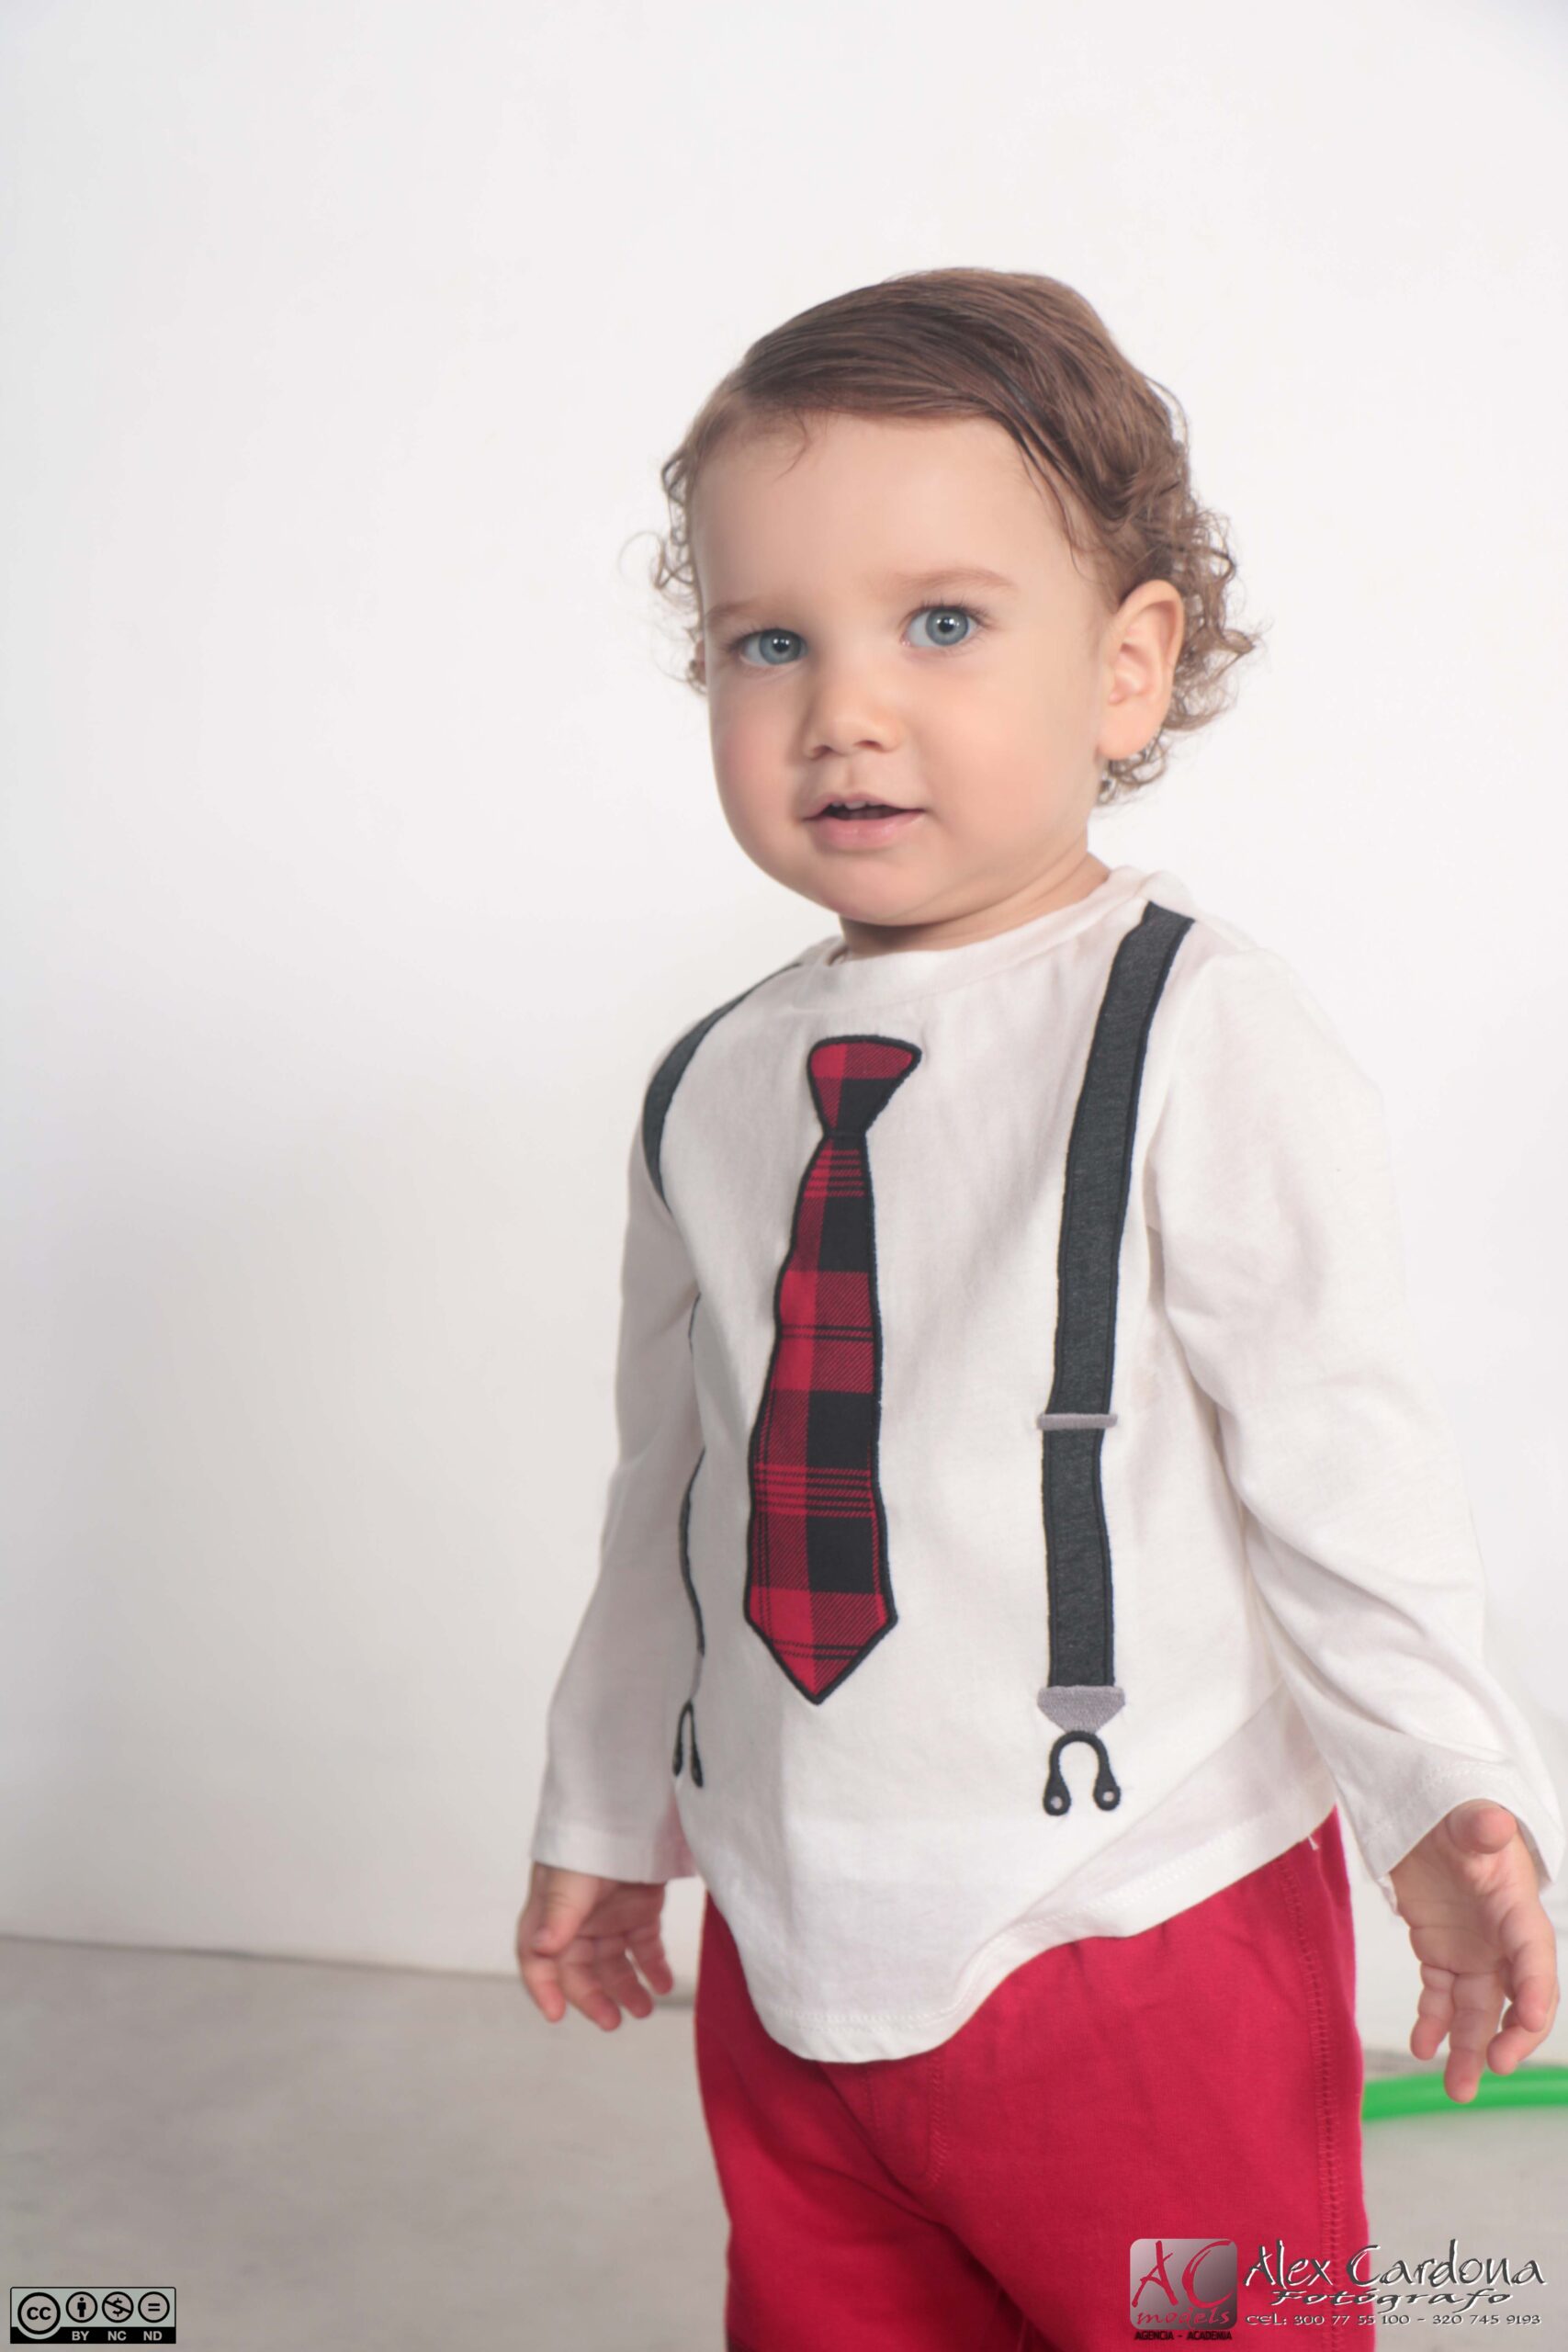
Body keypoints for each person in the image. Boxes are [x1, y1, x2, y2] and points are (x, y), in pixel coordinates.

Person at [513, 266, 1563, 2349]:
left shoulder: (1197, 1027)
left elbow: (1337, 1456)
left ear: (1127, 668)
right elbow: (681, 1490)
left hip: (1132, 1927)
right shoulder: (711, 1082)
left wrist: (1437, 1787)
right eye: (768, 640)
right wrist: (606, 1807)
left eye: (940, 622)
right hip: (792, 1944)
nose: (845, 708)